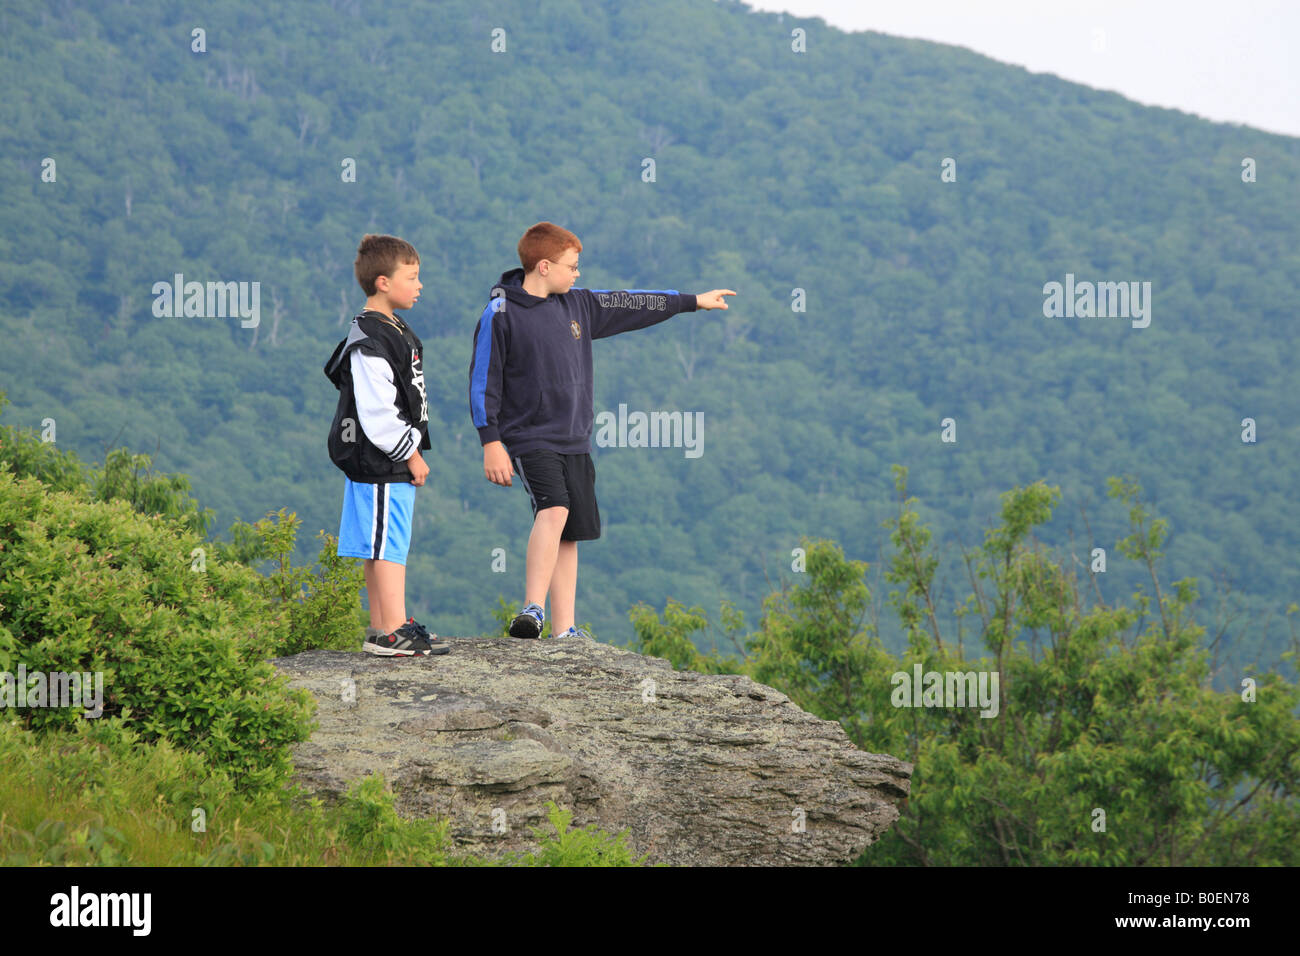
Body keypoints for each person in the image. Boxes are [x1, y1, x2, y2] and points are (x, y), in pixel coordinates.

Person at [468, 221, 735, 640]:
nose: (577, 274)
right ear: (543, 266)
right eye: (571, 266)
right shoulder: (501, 313)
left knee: (570, 529)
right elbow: (483, 382)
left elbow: (633, 303)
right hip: (529, 436)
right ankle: (532, 609)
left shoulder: (579, 305)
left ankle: (565, 628)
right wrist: (491, 442)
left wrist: (692, 302)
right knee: (553, 508)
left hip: (574, 437)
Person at [324, 234, 448, 656]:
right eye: (411, 277)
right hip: (382, 459)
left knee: (379, 543)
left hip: (381, 460)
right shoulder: (371, 339)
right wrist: (410, 454)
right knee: (389, 543)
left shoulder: (388, 328)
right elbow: (378, 411)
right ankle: (394, 630)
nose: (419, 285)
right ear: (382, 282)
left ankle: (382, 627)